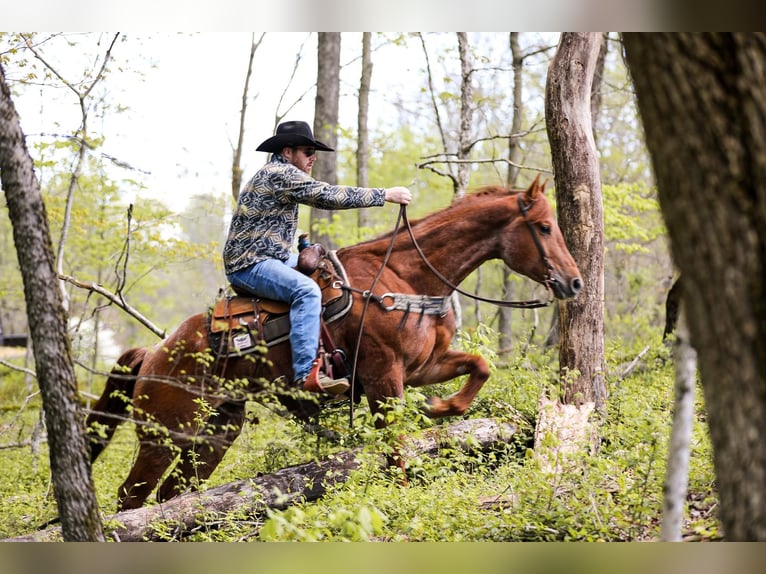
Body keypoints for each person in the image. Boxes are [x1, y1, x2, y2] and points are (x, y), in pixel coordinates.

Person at [223, 120, 412, 396]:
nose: (312, 158)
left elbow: (269, 224)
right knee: (307, 291)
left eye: (314, 152)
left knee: (330, 274)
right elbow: (325, 195)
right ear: (287, 152)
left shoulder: (278, 174)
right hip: (249, 264)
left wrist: (300, 244)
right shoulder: (280, 173)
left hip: (270, 256)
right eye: (307, 151)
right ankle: (305, 375)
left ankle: (336, 356)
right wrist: (384, 195)